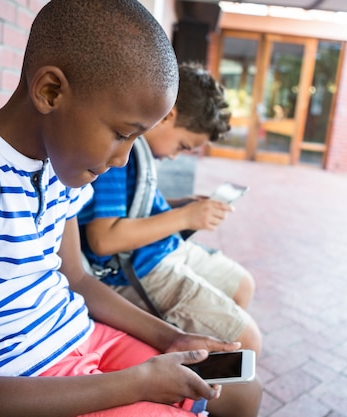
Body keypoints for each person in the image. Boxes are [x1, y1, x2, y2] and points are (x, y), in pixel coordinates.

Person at [0, 1, 261, 416]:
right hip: (24, 382)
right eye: (120, 134)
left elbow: (75, 275)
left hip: (84, 336)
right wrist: (139, 382)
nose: (122, 160)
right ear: (50, 91)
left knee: (241, 393)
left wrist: (170, 338)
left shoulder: (60, 167)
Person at [78, 63, 262, 355]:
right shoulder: (118, 154)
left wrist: (183, 205)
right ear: (169, 114)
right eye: (181, 145)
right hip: (137, 268)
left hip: (161, 249)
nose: (176, 157)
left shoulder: (141, 152)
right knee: (248, 342)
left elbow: (135, 209)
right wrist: (186, 217)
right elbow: (104, 240)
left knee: (243, 285)